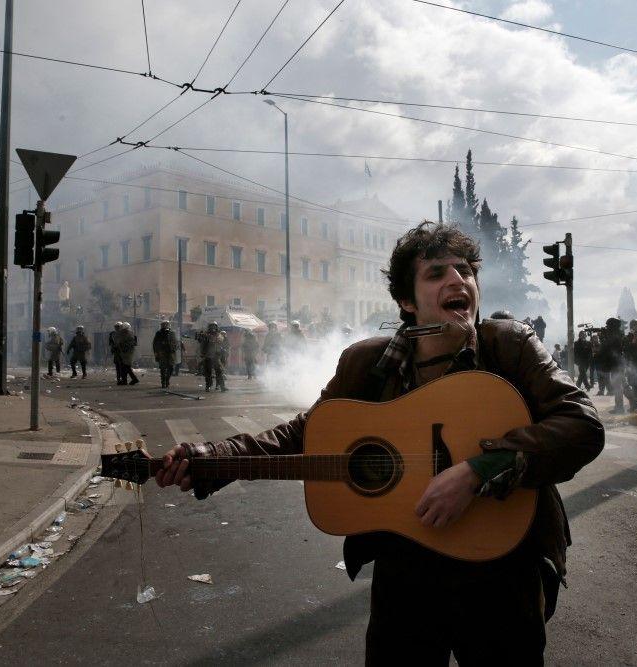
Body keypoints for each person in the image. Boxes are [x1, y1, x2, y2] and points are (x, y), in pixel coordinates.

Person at [155, 221, 604, 665]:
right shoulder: (366, 363)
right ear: (407, 300)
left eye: (466, 270)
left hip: (503, 565)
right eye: (436, 273)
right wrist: (209, 460)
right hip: (406, 569)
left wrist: (476, 472)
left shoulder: (509, 345)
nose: (457, 280)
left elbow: (581, 423)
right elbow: (304, 434)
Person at [198, 321, 227, 392]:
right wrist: (202, 353)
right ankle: (208, 385)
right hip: (208, 356)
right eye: (211, 326)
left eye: (214, 326)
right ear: (209, 327)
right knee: (208, 372)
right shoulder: (206, 335)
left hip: (216, 356)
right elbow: (202, 345)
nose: (213, 328)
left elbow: (222, 344)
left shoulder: (219, 335)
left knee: (219, 371)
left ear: (216, 327)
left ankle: (222, 386)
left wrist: (222, 350)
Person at [152, 321, 178, 388]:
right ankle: (163, 382)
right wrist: (156, 352)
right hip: (162, 353)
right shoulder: (159, 333)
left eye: (166, 325)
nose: (165, 326)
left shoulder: (172, 333)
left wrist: (174, 348)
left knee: (171, 368)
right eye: (164, 325)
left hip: (170, 353)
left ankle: (167, 380)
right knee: (163, 368)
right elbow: (155, 343)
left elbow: (175, 342)